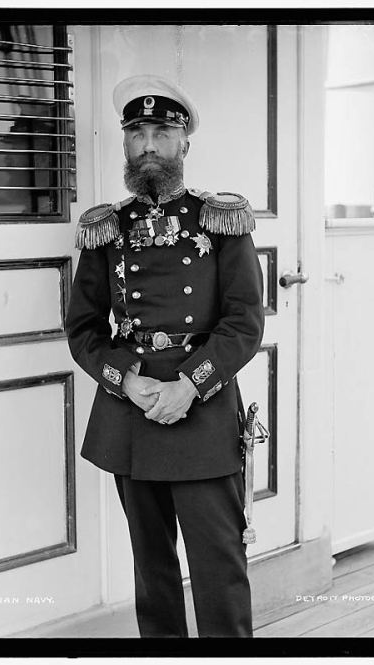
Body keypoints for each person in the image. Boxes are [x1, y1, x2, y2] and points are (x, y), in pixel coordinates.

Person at [65, 74, 265, 638]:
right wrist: (125, 381)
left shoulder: (219, 220)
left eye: (160, 133)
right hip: (132, 416)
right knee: (152, 573)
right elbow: (83, 329)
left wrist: (189, 385)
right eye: (137, 134)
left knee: (219, 570)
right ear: (126, 144)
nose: (148, 145)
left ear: (184, 143)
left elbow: (244, 322)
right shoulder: (107, 229)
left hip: (200, 411)